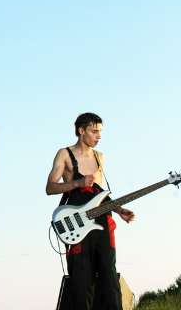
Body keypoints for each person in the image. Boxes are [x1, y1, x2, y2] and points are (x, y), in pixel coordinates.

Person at [45, 112, 134, 310]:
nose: (98, 136)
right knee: (81, 281)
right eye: (94, 131)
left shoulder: (99, 157)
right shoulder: (64, 154)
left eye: (100, 132)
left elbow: (100, 194)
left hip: (102, 222)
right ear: (81, 130)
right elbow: (50, 187)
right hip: (78, 225)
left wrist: (119, 209)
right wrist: (78, 183)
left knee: (109, 278)